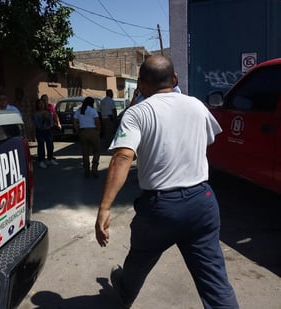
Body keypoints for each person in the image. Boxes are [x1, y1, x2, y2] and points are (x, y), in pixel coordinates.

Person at [95, 55, 238, 309]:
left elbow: (123, 156)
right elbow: (206, 140)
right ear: (174, 79)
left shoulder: (136, 114)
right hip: (202, 202)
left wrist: (105, 208)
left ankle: (124, 292)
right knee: (215, 281)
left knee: (138, 260)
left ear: (140, 85)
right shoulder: (196, 106)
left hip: (160, 209)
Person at [73, 96, 101, 178]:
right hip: (93, 131)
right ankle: (94, 169)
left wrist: (78, 130)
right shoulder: (93, 111)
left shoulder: (79, 111)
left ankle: (87, 170)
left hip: (83, 132)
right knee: (96, 151)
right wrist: (98, 131)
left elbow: (74, 122)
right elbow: (97, 122)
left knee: (85, 153)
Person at [34, 98, 59, 168]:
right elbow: (37, 124)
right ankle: (41, 161)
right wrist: (42, 125)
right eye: (39, 104)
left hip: (48, 131)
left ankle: (50, 159)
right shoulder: (36, 114)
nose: (41, 105)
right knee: (41, 145)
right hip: (40, 131)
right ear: (37, 105)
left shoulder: (48, 112)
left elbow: (51, 122)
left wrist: (49, 125)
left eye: (42, 103)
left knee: (50, 144)